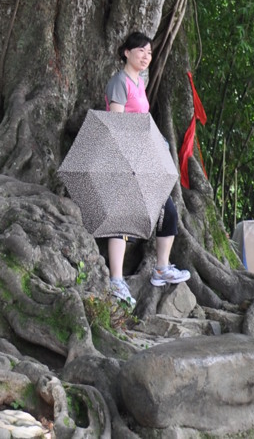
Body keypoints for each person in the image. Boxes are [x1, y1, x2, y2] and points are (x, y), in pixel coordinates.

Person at [104, 30, 191, 307]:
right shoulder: (120, 82)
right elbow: (118, 123)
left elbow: (142, 117)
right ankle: (116, 279)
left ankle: (161, 269)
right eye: (141, 50)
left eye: (150, 52)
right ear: (126, 52)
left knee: (168, 209)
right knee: (122, 215)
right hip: (124, 158)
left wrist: (157, 139)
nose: (146, 56)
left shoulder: (139, 82)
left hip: (142, 158)